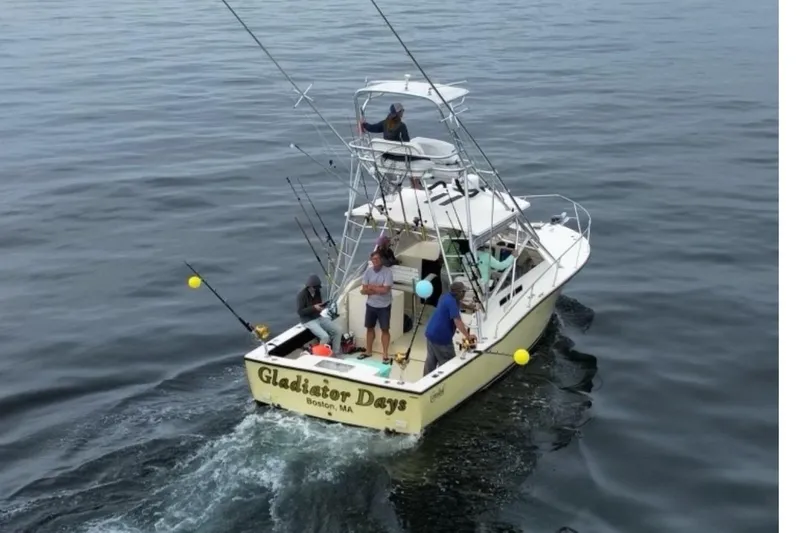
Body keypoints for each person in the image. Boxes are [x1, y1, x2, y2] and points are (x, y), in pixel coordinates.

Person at [423, 281, 477, 375]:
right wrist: (467, 336)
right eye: (464, 292)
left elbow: (457, 304)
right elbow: (457, 321)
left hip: (430, 333)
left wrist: (469, 307)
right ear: (460, 293)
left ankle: (424, 381)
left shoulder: (445, 296)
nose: (464, 294)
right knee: (448, 364)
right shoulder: (451, 302)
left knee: (430, 361)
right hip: (442, 339)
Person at [361, 250, 394, 362]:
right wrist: (378, 288)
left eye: (377, 259)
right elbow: (363, 290)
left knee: (385, 329)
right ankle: (368, 351)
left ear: (381, 260)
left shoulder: (387, 272)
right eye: (373, 259)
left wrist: (372, 287)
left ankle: (385, 354)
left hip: (384, 306)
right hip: (371, 305)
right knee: (369, 328)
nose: (375, 261)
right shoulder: (368, 272)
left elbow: (385, 290)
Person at [297, 274, 342, 356]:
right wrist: (314, 308)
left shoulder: (317, 292)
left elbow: (319, 304)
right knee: (325, 337)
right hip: (308, 320)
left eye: (317, 287)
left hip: (318, 316)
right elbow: (300, 312)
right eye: (314, 287)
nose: (316, 289)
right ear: (309, 286)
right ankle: (319, 356)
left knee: (337, 330)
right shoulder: (302, 295)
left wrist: (321, 307)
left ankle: (336, 353)